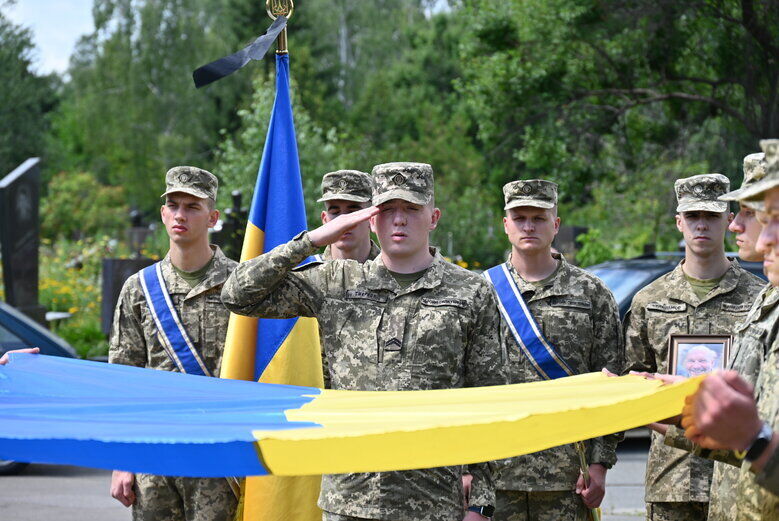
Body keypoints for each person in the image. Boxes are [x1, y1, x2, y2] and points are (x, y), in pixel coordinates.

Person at [221, 162, 506, 521]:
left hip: (432, 501)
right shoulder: (338, 282)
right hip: (349, 500)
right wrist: (311, 240)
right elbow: (236, 295)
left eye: (411, 209)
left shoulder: (470, 291)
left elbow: (491, 397)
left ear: (433, 217)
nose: (399, 220)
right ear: (371, 220)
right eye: (387, 210)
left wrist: (481, 501)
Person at [624, 173, 765, 521]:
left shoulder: (759, 298)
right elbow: (633, 384)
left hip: (737, 478)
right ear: (678, 222)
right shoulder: (649, 300)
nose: (701, 225)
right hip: (671, 478)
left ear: (729, 220)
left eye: (712, 216)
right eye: (692, 216)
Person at [484, 179, 622, 521]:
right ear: (506, 225)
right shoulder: (480, 292)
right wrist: (467, 469)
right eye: (520, 217)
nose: (529, 226)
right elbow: (463, 384)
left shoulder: (592, 293)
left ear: (555, 224)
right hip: (496, 470)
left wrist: (599, 463)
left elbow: (611, 381)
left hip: (568, 475)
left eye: (539, 217)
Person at [108, 166, 238, 521]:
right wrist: (123, 461)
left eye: (192, 207)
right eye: (174, 205)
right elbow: (123, 380)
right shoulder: (139, 289)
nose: (181, 214)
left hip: (219, 453)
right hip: (155, 452)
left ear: (212, 217)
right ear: (163, 214)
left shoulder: (241, 287)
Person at [657, 149, 774, 521]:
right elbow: (749, 437)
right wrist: (681, 412)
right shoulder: (768, 297)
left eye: (764, 216)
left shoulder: (755, 290)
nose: (738, 226)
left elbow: (756, 439)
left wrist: (754, 442)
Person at [317, 169, 380, 262]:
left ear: (371, 218)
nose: (343, 222)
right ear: (325, 220)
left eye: (352, 212)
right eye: (335, 212)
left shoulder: (395, 269)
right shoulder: (303, 271)